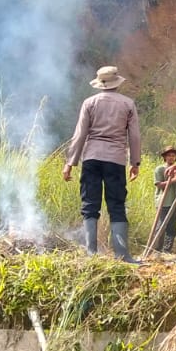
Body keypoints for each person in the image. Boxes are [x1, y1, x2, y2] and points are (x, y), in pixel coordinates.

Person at [62, 65, 142, 262]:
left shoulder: (89, 102)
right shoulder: (128, 104)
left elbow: (80, 134)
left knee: (90, 204)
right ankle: (122, 255)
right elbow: (134, 136)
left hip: (91, 157)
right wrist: (135, 162)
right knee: (116, 205)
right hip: (115, 159)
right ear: (117, 83)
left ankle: (91, 253)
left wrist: (70, 163)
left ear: (100, 84)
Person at [151, 146, 176, 252]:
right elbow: (159, 185)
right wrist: (173, 180)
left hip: (174, 202)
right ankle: (156, 249)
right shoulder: (160, 169)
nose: (171, 158)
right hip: (163, 202)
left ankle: (167, 250)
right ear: (165, 157)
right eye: (169, 156)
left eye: (173, 156)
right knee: (161, 226)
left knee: (171, 228)